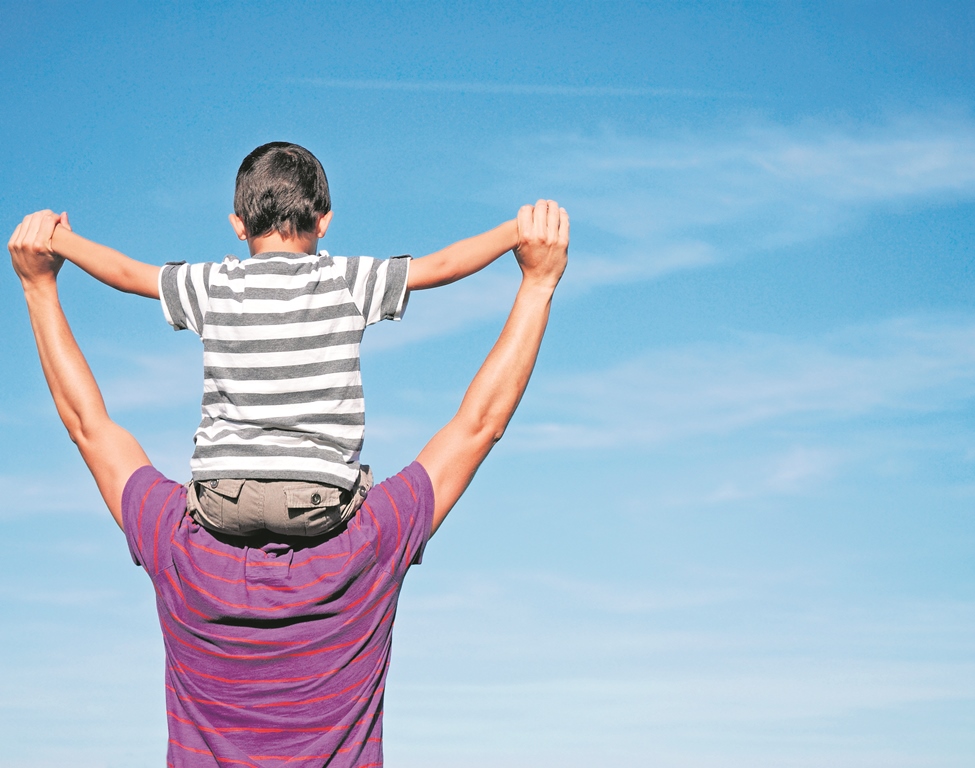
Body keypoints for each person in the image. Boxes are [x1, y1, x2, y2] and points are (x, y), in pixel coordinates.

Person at [8, 199, 568, 767]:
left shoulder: (178, 545)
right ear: (323, 220)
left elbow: (89, 428)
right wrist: (538, 283)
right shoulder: (370, 544)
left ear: (239, 224)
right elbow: (479, 426)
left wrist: (39, 288)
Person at [43, 141, 522, 538]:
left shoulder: (214, 284)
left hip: (222, 496)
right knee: (361, 489)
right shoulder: (346, 280)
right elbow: (442, 266)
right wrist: (514, 232)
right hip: (318, 498)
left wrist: (61, 241)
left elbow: (128, 273)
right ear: (324, 220)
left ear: (238, 225)